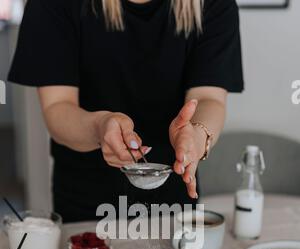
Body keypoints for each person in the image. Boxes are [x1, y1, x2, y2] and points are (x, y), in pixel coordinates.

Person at [9, 0, 243, 222]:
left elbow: (209, 99)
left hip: (173, 198)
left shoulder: (212, 4)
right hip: (86, 200)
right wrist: (99, 127)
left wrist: (197, 134)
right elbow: (57, 108)